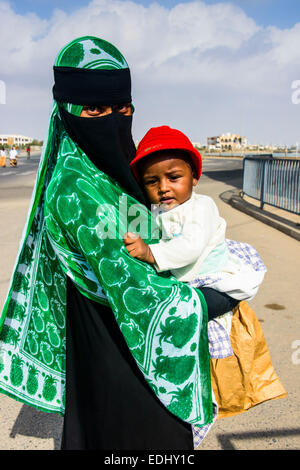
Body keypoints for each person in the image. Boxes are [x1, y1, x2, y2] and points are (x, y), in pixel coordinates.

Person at [0, 36, 216, 451]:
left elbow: (155, 229)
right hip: (116, 348)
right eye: (95, 110)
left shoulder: (122, 173)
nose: (113, 120)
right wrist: (216, 298)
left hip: (118, 337)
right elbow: (136, 287)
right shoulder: (76, 187)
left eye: (123, 108)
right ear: (68, 111)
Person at [124, 126, 267, 320]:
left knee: (195, 317)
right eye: (152, 182)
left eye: (174, 177)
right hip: (186, 275)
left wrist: (150, 253)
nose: (163, 188)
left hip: (211, 278)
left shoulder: (201, 207)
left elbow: (190, 246)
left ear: (194, 178)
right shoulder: (159, 210)